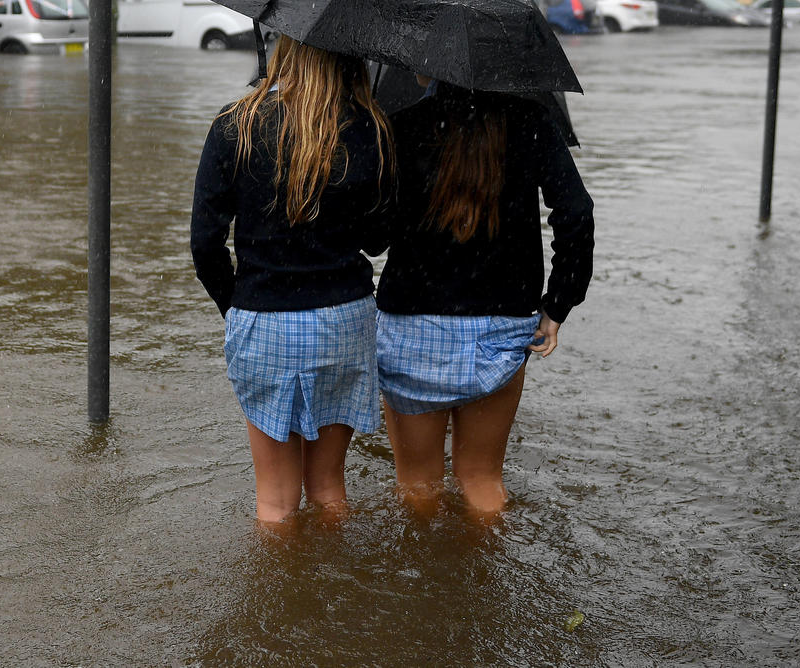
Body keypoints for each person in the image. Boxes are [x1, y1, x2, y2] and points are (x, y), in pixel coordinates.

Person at [190, 34, 392, 525]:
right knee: (329, 489)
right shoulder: (368, 125)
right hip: (345, 318)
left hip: (264, 320)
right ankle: (334, 595)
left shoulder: (235, 123)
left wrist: (236, 303)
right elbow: (378, 239)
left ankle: (283, 598)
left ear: (283, 47)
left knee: (276, 503)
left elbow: (205, 243)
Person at [375, 78, 593, 519]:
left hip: (411, 325)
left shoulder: (398, 127)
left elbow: (374, 237)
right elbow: (576, 212)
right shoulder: (532, 122)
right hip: (501, 325)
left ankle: (418, 582)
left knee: (417, 485)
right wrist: (557, 305)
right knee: (482, 481)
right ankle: (485, 582)